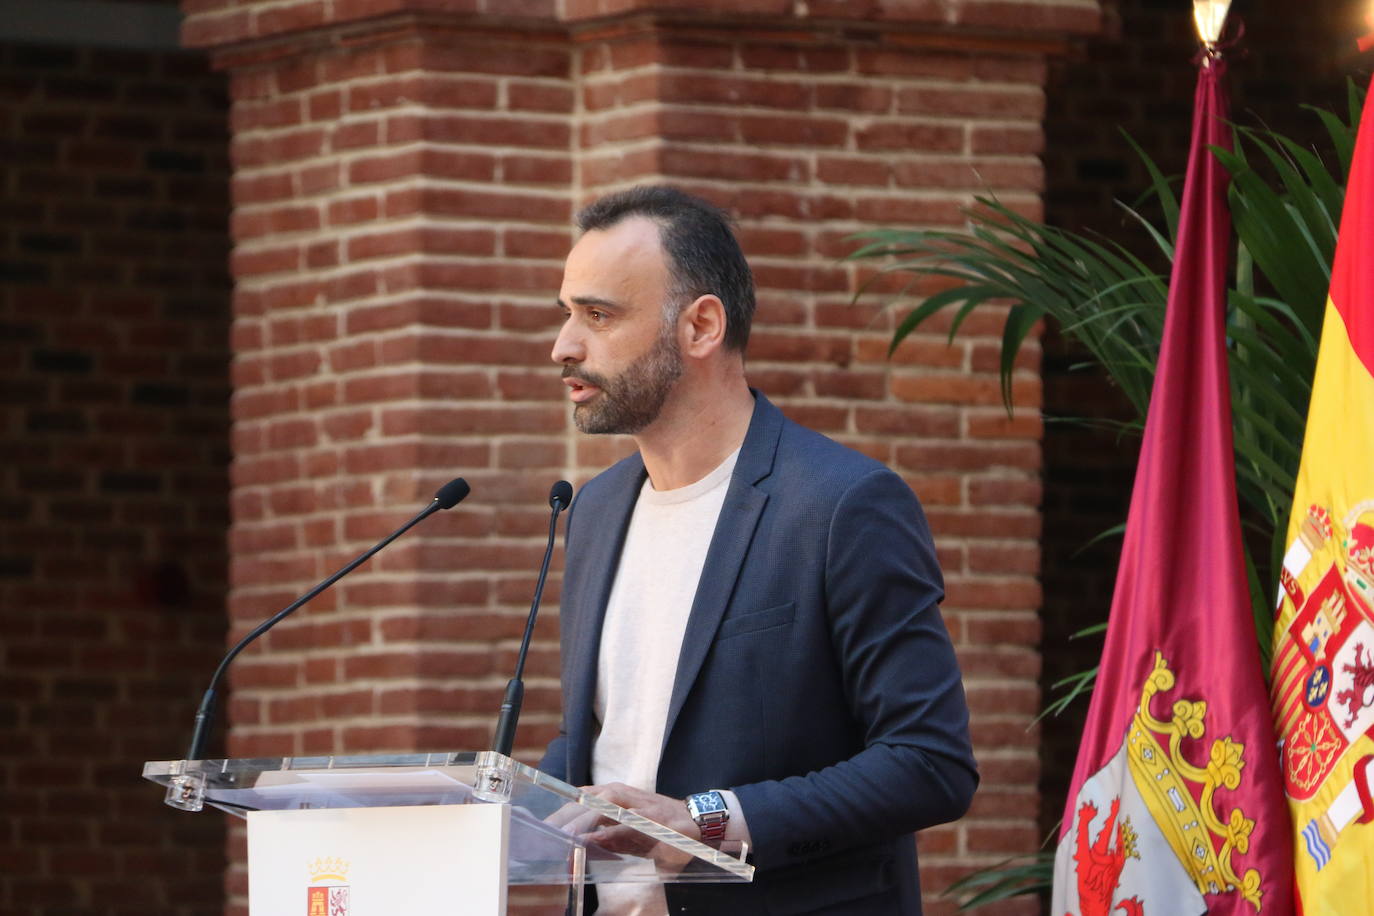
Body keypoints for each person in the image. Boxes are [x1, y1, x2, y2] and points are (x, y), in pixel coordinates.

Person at [538, 185, 977, 915]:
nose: (564, 346)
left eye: (598, 315)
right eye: (566, 313)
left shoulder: (841, 505)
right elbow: (608, 737)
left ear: (701, 326)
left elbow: (929, 763)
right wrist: (513, 804)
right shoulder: (595, 510)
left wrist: (704, 819)